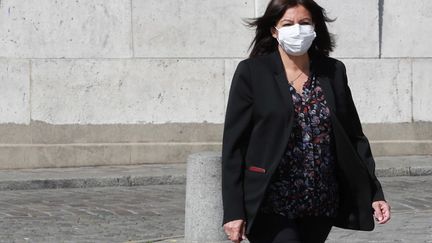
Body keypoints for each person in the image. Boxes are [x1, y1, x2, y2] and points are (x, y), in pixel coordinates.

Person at [221, 0, 391, 242]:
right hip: (271, 201)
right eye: (288, 24)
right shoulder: (252, 73)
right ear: (274, 30)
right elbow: (234, 146)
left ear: (315, 27)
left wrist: (374, 192)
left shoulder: (333, 71)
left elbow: (354, 136)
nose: (297, 30)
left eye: (304, 23)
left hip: (320, 202)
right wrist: (233, 211)